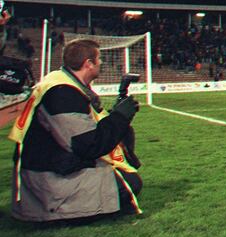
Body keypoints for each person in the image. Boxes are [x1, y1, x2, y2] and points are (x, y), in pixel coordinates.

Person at [7, 39, 142, 222]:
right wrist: (119, 118)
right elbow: (88, 146)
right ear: (88, 64)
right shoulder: (63, 92)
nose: (102, 63)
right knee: (130, 182)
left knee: (123, 176)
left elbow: (81, 132)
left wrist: (115, 116)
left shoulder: (57, 81)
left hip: (42, 170)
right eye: (99, 59)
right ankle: (63, 213)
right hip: (48, 183)